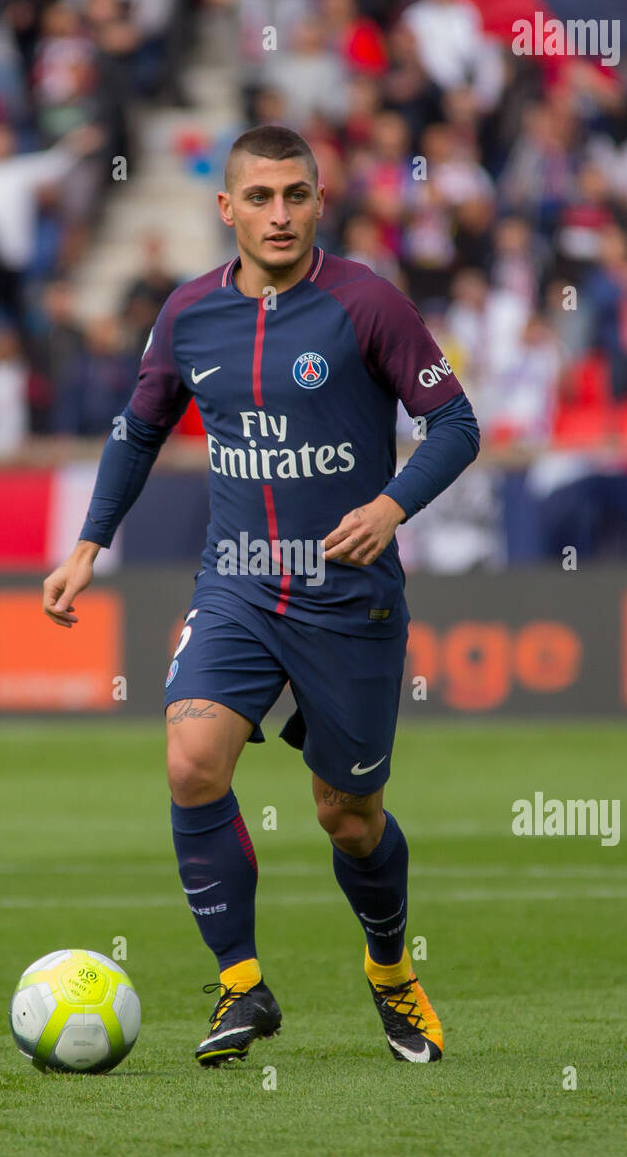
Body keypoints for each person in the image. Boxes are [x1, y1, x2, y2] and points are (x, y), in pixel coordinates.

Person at [42, 125, 480, 1067]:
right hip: (237, 581)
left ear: (320, 201)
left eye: (296, 195)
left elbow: (455, 423)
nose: (278, 214)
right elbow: (137, 427)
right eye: (260, 197)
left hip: (347, 600)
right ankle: (242, 989)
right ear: (226, 208)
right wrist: (88, 545)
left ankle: (391, 968)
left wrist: (391, 504)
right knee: (192, 759)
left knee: (345, 816)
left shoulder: (367, 303)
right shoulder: (189, 313)